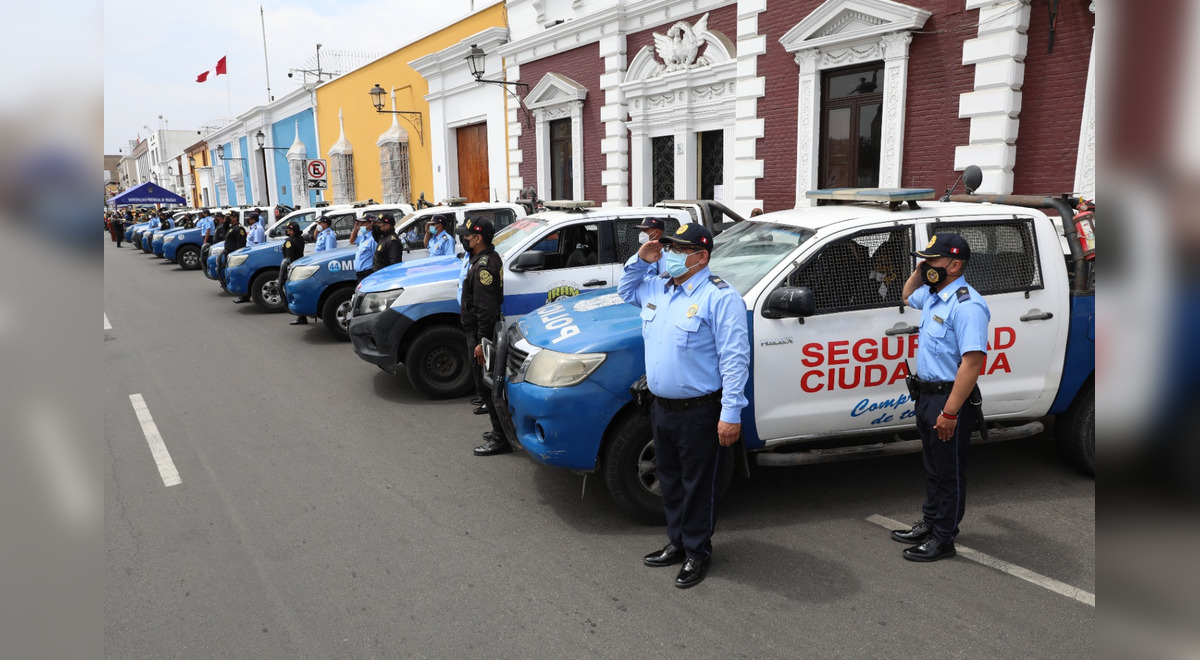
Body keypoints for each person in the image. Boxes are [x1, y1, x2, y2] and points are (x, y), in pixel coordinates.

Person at [617, 223, 750, 589]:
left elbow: (735, 359)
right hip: (661, 408)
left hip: (700, 411)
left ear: (701, 256)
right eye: (668, 247)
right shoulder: (658, 286)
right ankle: (676, 541)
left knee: (698, 485)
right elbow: (625, 290)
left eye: (678, 249)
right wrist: (641, 259)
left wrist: (731, 414)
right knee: (670, 481)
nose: (670, 254)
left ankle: (697, 552)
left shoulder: (719, 297)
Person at [890, 233, 990, 562]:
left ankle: (944, 538)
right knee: (933, 468)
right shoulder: (935, 295)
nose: (928, 265)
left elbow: (972, 363)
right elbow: (906, 295)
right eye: (927, 260)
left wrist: (949, 413)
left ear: (955, 265)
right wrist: (921, 272)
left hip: (949, 400)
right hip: (926, 396)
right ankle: (930, 523)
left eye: (934, 261)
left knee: (949, 472)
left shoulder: (967, 305)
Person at [456, 218, 510, 456]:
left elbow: (485, 310)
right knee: (486, 386)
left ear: (478, 238)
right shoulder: (482, 259)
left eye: (467, 237)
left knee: (488, 388)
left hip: (481, 333)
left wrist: (480, 342)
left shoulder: (484, 267)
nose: (464, 240)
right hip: (480, 331)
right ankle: (501, 432)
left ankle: (501, 440)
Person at [278, 221, 309, 325]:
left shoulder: (289, 241)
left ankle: (300, 316)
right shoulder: (300, 239)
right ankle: (302, 315)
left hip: (292, 268)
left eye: (288, 229)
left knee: (291, 292)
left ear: (292, 231)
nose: (287, 231)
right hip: (299, 265)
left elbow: (288, 258)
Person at [224, 214, 248, 299]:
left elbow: (241, 244)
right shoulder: (232, 227)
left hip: (234, 255)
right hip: (230, 254)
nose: (228, 219)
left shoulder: (239, 228)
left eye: (230, 218)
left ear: (235, 218)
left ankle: (243, 294)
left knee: (238, 274)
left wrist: (236, 254)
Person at [350, 213, 377, 281]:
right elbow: (352, 241)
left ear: (371, 223)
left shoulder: (373, 239)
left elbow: (376, 258)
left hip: (368, 274)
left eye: (363, 223)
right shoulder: (363, 237)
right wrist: (356, 228)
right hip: (360, 275)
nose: (360, 225)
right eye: (360, 223)